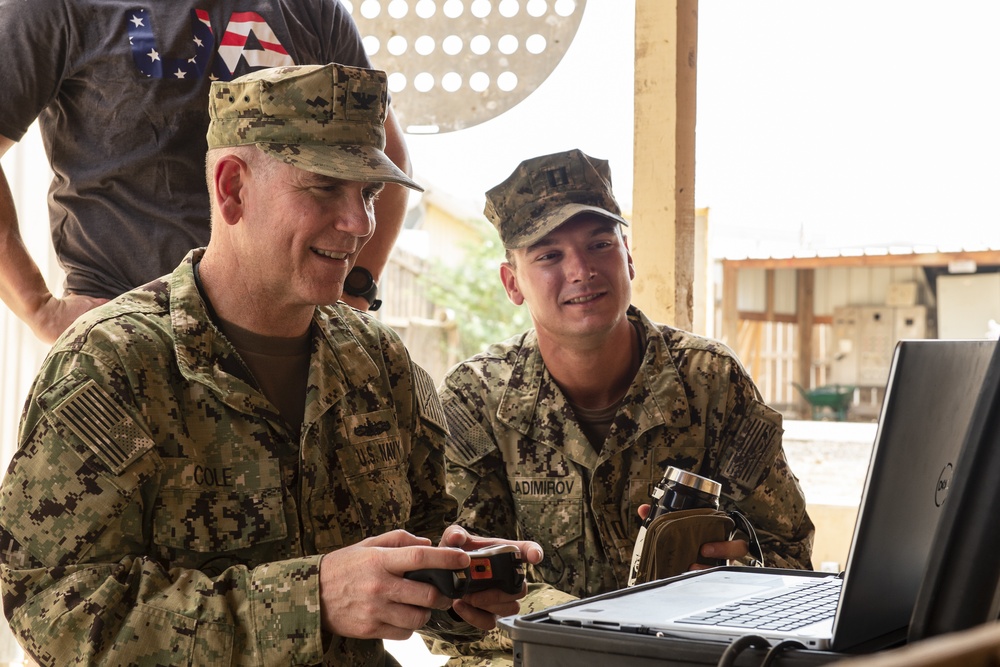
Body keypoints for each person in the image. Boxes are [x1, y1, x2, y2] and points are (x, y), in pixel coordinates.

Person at [0, 63, 542, 666]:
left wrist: (455, 582)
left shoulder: (377, 361)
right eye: (325, 188)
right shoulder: (112, 365)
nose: (360, 223)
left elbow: (421, 547)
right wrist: (311, 601)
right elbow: (57, 612)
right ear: (233, 187)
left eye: (368, 193)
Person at [431, 149, 815, 661]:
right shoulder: (475, 399)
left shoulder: (710, 381)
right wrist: (598, 637)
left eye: (599, 244)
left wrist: (738, 579)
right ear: (512, 283)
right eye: (549, 256)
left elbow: (793, 557)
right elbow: (453, 606)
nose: (582, 270)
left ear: (628, 256)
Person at [0, 0, 409, 344]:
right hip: (129, 334)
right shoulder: (59, 6)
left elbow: (383, 154)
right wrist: (40, 309)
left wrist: (355, 287)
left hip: (285, 339)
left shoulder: (311, 8)